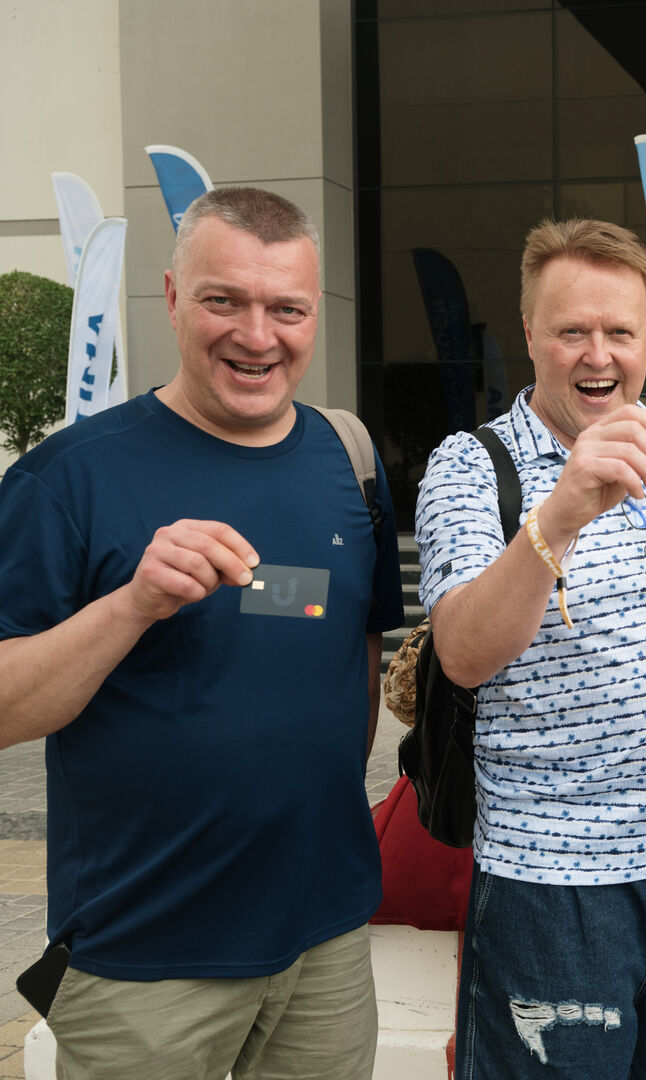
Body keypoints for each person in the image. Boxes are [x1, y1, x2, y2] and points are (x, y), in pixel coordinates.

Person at [0, 187, 404, 1078]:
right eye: (225, 300)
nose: (257, 336)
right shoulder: (66, 480)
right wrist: (131, 605)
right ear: (175, 297)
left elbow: (354, 651)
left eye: (286, 309)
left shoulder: (348, 460)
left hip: (327, 940)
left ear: (315, 314)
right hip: (143, 960)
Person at [415, 218, 646, 1077]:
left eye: (620, 332)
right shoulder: (472, 466)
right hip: (554, 885)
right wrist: (558, 514)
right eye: (572, 331)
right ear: (530, 333)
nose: (598, 356)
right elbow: (463, 653)